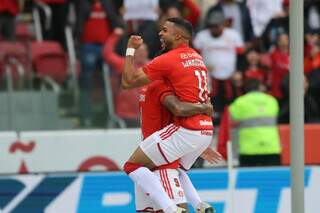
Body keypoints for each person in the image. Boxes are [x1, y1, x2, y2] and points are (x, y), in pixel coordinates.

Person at [121, 18, 214, 213]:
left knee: (133, 165)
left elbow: (129, 81)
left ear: (178, 35)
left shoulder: (163, 76)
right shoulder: (196, 58)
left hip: (180, 136)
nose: (160, 34)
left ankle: (179, 208)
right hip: (194, 133)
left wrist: (130, 49)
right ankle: (199, 204)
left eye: (164, 30)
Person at [137, 79, 221, 212]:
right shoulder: (164, 89)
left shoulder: (146, 87)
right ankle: (200, 205)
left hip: (148, 158)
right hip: (162, 163)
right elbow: (179, 110)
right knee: (179, 208)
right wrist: (204, 108)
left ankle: (199, 204)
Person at [229, 79, 281, 167]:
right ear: (260, 87)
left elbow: (232, 121)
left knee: (249, 180)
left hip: (248, 149)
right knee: (272, 180)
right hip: (271, 147)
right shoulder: (272, 101)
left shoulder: (239, 102)